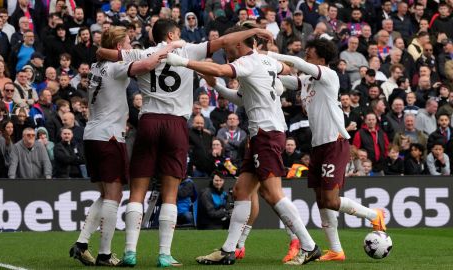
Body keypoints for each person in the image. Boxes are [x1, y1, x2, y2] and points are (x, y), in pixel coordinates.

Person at [97, 19, 275, 267]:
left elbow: (108, 53)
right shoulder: (189, 49)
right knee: (170, 193)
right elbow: (224, 41)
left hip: (148, 122)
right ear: (171, 35)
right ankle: (164, 255)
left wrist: (101, 47)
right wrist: (255, 31)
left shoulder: (142, 53)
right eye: (178, 33)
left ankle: (129, 252)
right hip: (176, 125)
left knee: (138, 192)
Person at [166, 25, 320, 266]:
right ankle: (229, 250)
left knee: (272, 193)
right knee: (241, 191)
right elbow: (243, 95)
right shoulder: (266, 63)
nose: (225, 49)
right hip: (264, 134)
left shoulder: (249, 62)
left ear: (240, 44)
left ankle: (309, 246)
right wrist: (215, 86)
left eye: (228, 45)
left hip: (267, 134)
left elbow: (218, 69)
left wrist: (182, 63)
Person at [69, 26, 179, 267]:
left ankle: (81, 243)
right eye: (128, 44)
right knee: (114, 196)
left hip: (92, 135)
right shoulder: (116, 66)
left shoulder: (97, 66)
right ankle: (105, 254)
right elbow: (147, 66)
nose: (131, 48)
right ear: (118, 47)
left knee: (105, 194)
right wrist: (168, 48)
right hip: (109, 137)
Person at [270, 39, 386, 263]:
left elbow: (295, 62)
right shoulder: (306, 81)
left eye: (310, 55)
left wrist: (265, 54)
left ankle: (374, 215)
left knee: (331, 200)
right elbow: (281, 79)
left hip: (335, 142)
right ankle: (336, 250)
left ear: (321, 60)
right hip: (318, 146)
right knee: (321, 199)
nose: (306, 58)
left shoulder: (329, 75)